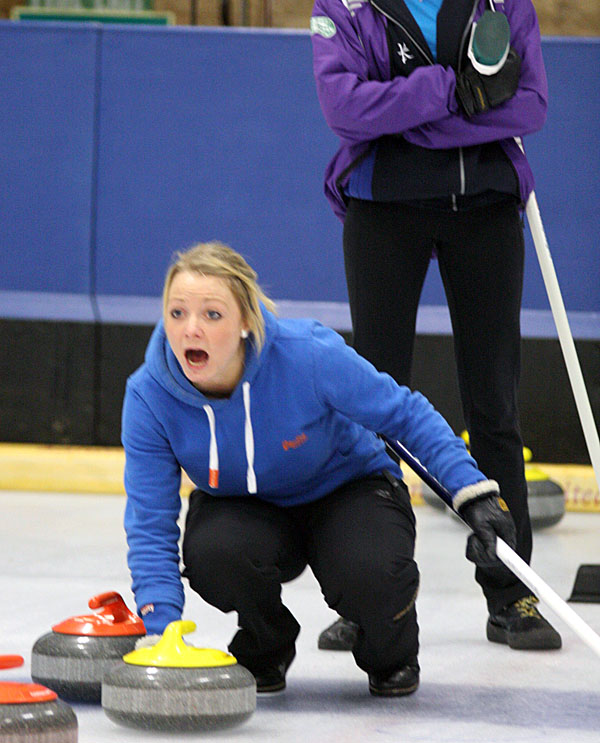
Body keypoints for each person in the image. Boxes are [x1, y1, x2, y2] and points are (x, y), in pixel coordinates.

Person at [310, 0, 561, 652]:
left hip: (485, 207)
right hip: (385, 211)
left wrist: (407, 106)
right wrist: (451, 91)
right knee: (374, 401)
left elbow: (527, 105)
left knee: (493, 398)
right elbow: (346, 110)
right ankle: (371, 593)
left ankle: (512, 593)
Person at [122, 240, 516, 697]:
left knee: (372, 573)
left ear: (246, 322)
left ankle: (390, 648)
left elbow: (405, 415)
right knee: (215, 554)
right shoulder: (149, 394)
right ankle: (265, 645)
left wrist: (474, 493)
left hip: (348, 490)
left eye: (212, 314)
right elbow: (149, 521)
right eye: (177, 313)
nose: (191, 329)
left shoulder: (307, 354)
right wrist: (161, 628)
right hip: (247, 509)